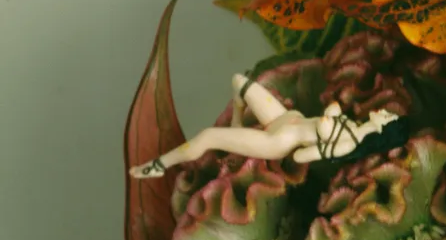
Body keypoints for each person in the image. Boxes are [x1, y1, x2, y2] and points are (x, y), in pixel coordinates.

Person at [129, 74, 401, 178]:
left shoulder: (347, 144)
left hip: (278, 141)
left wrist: (318, 141)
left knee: (208, 136)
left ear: (382, 130)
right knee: (238, 81)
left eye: (387, 118)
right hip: (283, 117)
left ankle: (158, 166)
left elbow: (301, 155)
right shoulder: (352, 125)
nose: (383, 112)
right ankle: (236, 123)